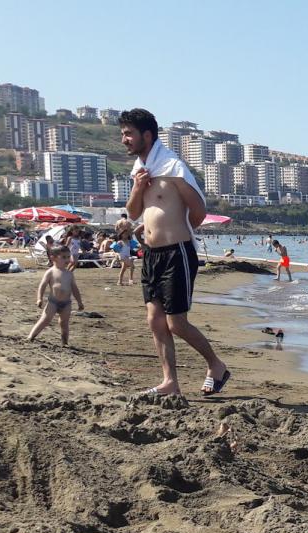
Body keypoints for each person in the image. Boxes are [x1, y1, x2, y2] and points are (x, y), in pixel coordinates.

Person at [121, 107, 230, 397]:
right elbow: (133, 214)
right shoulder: (140, 172)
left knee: (176, 322)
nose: (124, 139)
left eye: (129, 133)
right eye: (123, 134)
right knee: (155, 320)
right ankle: (170, 382)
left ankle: (216, 365)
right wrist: (137, 187)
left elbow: (198, 211)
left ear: (147, 135)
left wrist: (178, 233)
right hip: (152, 255)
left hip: (176, 253)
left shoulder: (172, 167)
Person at [27, 245, 84, 345]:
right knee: (45, 319)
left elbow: (75, 289)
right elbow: (42, 285)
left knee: (64, 323)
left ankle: (64, 342)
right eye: (63, 257)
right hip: (53, 301)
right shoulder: (50, 272)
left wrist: (79, 302)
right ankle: (31, 336)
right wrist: (39, 298)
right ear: (53, 258)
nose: (67, 260)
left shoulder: (69, 274)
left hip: (66, 303)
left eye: (68, 257)